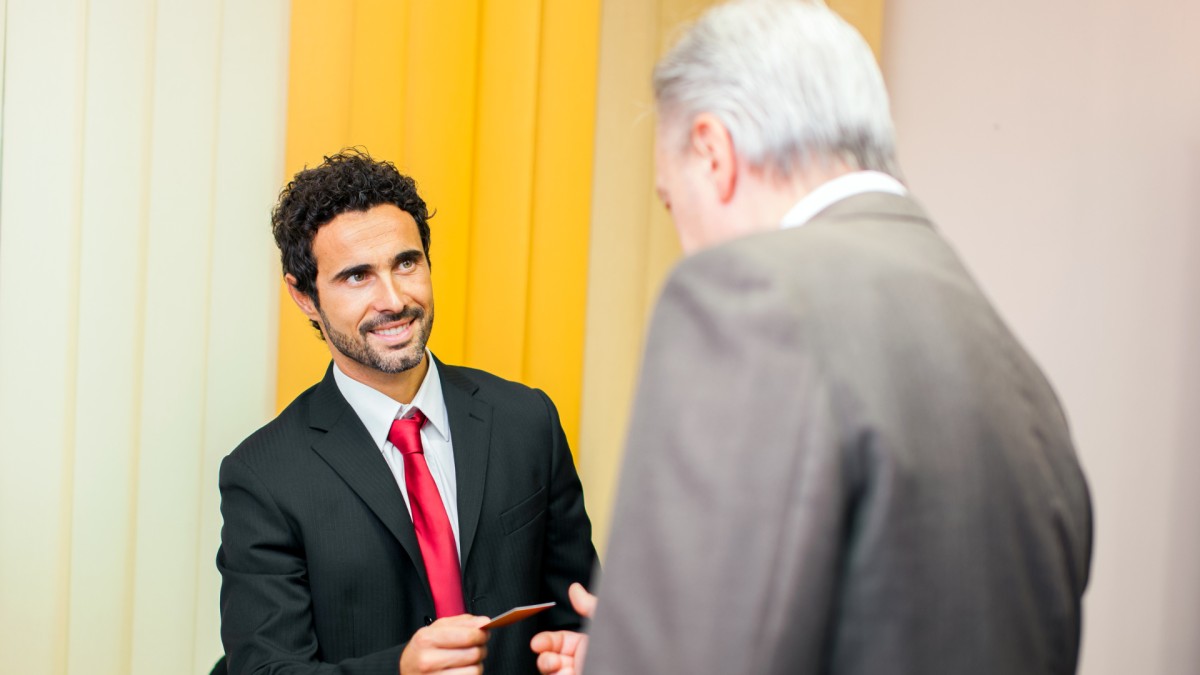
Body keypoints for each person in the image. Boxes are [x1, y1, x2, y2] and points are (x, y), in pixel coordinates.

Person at [531, 1, 1092, 674]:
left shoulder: (748, 297)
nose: (682, 241)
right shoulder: (1009, 362)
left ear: (714, 153)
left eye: (669, 200)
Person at [218, 149, 597, 675]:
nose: (394, 299)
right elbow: (265, 670)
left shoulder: (526, 421)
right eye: (357, 277)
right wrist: (399, 670)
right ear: (304, 296)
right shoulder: (263, 475)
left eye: (406, 262)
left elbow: (579, 611)